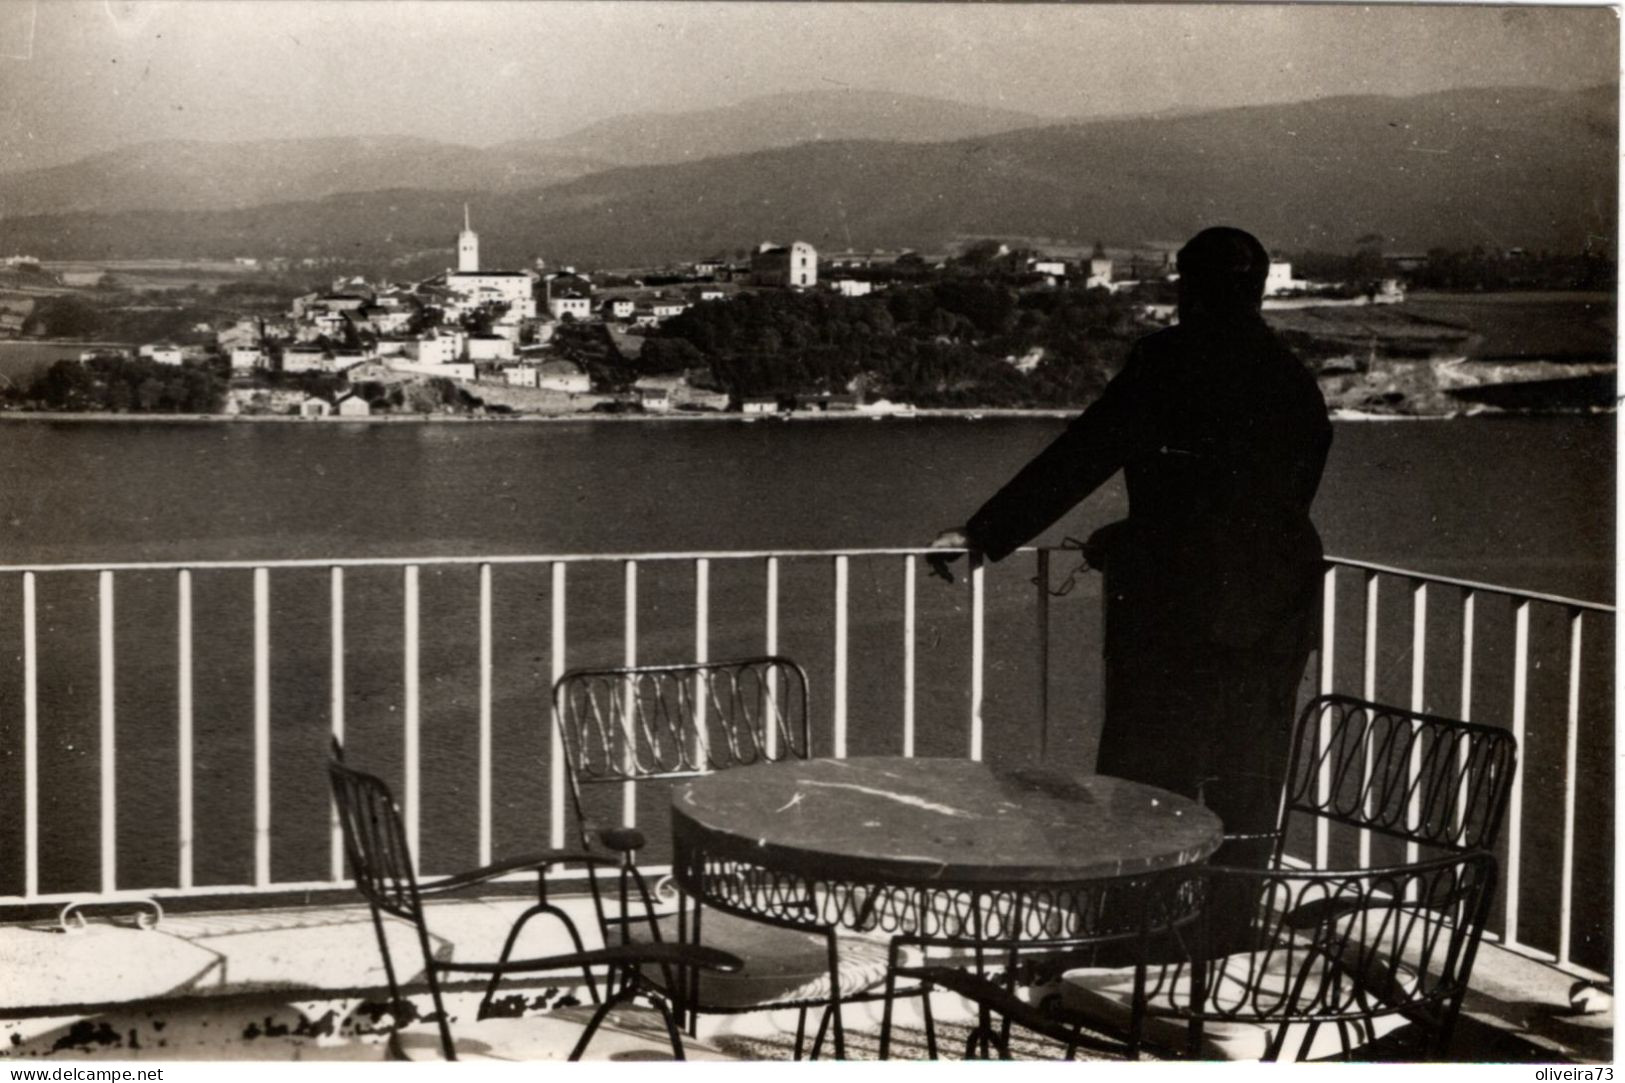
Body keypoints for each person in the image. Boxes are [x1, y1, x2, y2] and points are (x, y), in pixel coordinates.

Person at [928, 226, 1332, 872]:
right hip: (1272, 612)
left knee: (1144, 788)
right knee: (1247, 788)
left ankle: (1134, 944)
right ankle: (1227, 939)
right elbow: (1267, 500)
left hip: (1173, 610)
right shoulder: (1290, 377)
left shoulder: (1166, 360)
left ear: (1187, 288)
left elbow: (1082, 455)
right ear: (1257, 289)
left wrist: (985, 533)